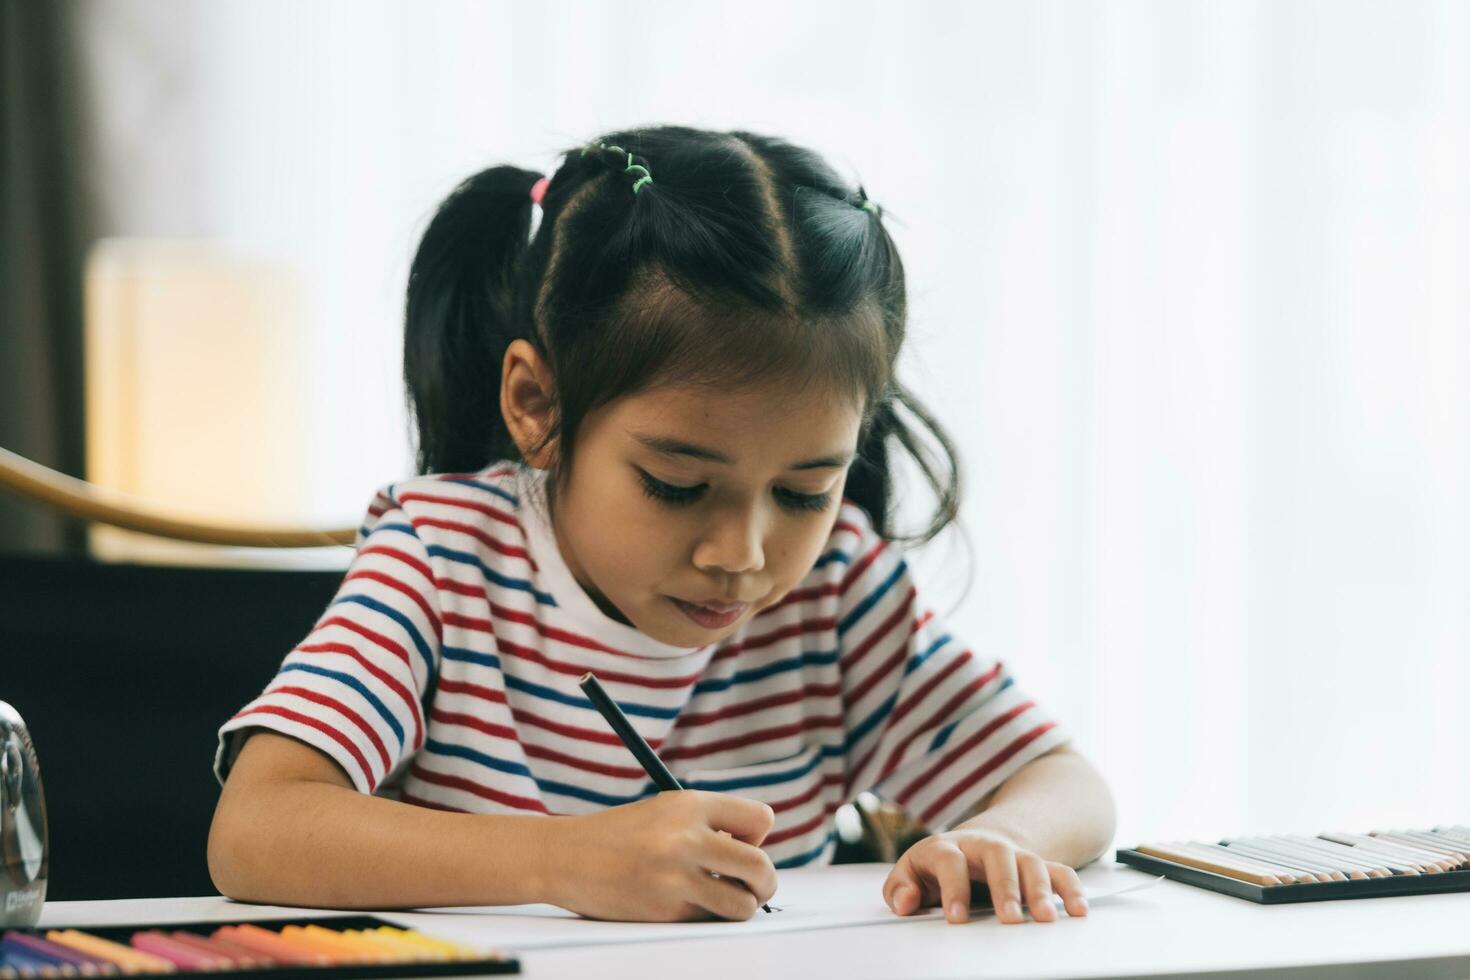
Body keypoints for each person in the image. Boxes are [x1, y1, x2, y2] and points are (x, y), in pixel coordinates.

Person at [207, 125, 1116, 926]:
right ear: (536, 404)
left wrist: (997, 838)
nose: (744, 556)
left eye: (803, 493)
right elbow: (256, 828)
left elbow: (1067, 784)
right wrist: (564, 861)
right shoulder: (441, 560)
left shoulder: (838, 596)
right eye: (678, 485)